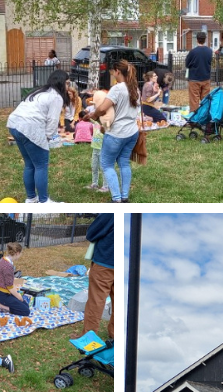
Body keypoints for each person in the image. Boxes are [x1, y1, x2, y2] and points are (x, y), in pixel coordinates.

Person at [7, 69, 70, 203]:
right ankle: (44, 201)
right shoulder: (56, 97)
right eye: (68, 83)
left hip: (14, 124)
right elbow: (53, 121)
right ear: (61, 83)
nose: (69, 87)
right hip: (30, 128)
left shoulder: (40, 91)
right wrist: (48, 138)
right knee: (41, 165)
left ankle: (31, 198)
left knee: (30, 164)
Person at [90, 60, 142, 203]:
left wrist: (93, 115)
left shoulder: (117, 89)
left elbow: (102, 108)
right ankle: (124, 197)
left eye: (113, 72)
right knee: (124, 162)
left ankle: (116, 199)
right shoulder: (135, 89)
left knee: (106, 164)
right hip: (132, 132)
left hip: (117, 133)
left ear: (118, 72)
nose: (112, 74)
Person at [81, 213, 114, 340]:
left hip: (105, 262)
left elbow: (91, 233)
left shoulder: (111, 213)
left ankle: (89, 336)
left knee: (96, 301)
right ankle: (115, 334)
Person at [0, 242, 30, 317]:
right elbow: (10, 287)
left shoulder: (3, 260)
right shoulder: (8, 266)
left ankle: (1, 303)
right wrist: (19, 297)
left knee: (26, 305)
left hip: (0, 292)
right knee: (26, 311)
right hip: (3, 294)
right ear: (17, 253)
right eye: (21, 253)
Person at [185, 32, 213, 112]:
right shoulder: (209, 51)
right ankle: (204, 117)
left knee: (194, 100)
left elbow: (187, 64)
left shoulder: (193, 52)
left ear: (197, 39)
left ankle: (194, 120)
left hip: (194, 78)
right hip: (206, 78)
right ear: (205, 39)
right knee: (205, 100)